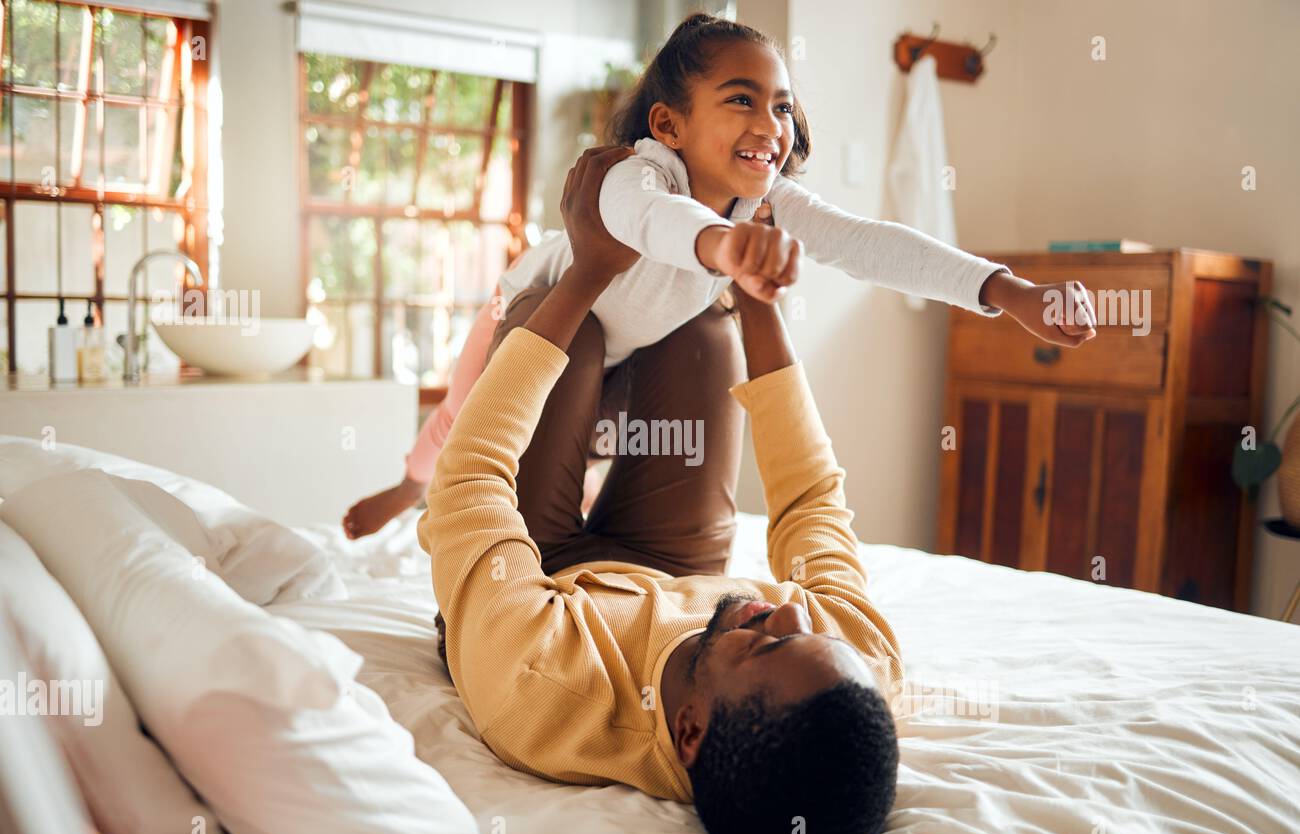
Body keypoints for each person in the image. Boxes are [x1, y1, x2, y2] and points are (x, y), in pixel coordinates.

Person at [343, 11, 1097, 540]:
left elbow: (870, 243)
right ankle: (411, 490)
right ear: (668, 123)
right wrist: (725, 249)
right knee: (460, 425)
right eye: (741, 101)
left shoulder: (764, 201)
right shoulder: (635, 176)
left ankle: (609, 534)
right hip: (534, 327)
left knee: (662, 409)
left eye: (781, 108)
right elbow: (649, 225)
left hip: (634, 359)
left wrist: (1006, 291)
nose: (770, 125)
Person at [420, 146, 903, 834]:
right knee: (705, 328)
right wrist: (755, 300)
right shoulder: (849, 671)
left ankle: (581, 313)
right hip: (675, 569)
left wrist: (589, 269)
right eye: (811, 631)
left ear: (689, 732)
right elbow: (812, 503)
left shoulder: (541, 686)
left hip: (536, 580)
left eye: (767, 640)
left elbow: (466, 482)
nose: (792, 610)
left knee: (562, 322)